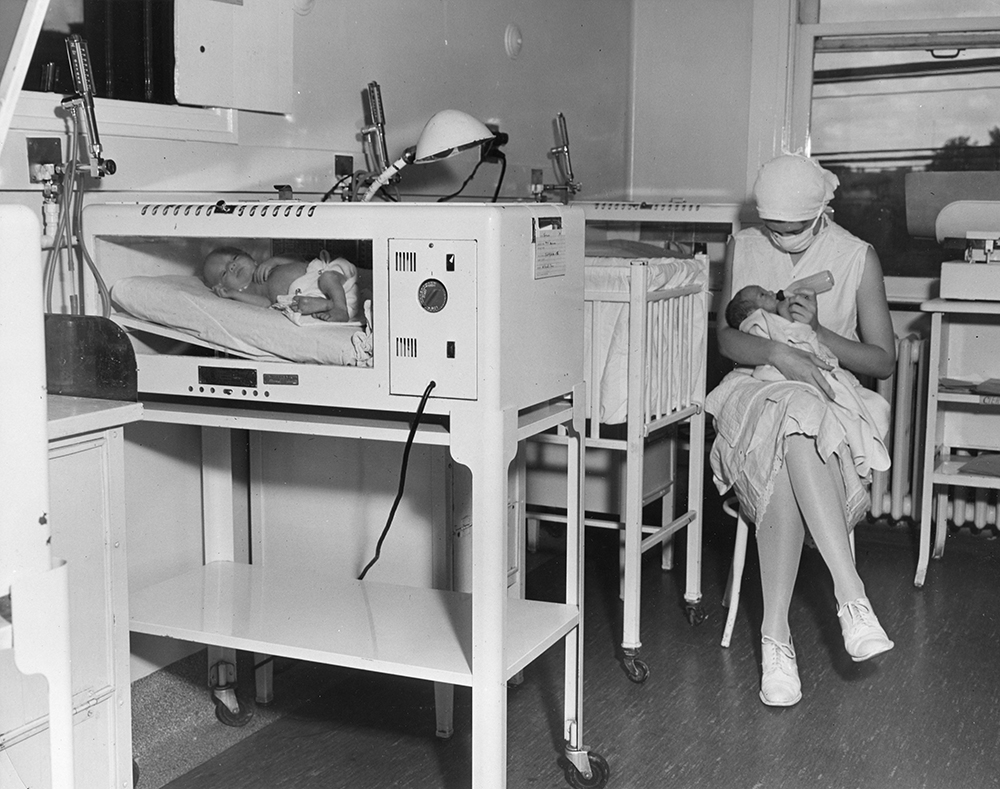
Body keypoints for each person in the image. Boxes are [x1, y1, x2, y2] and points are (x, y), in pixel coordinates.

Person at [706, 153, 897, 707]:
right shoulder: (744, 245)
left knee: (795, 433)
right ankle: (852, 598)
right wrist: (778, 353)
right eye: (772, 228)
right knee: (789, 416)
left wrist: (818, 335)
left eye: (792, 230)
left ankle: (775, 639)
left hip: (826, 396)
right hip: (755, 391)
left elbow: (882, 361)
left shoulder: (857, 257)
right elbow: (727, 341)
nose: (780, 239)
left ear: (822, 213)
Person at [202, 246, 361, 323]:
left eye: (235, 258)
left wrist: (274, 260)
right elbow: (266, 303)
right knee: (301, 305)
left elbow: (299, 259)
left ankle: (340, 308)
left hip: (326, 277)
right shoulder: (249, 291)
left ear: (252, 258)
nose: (231, 266)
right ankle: (327, 305)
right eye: (223, 273)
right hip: (309, 294)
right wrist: (233, 294)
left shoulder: (267, 265)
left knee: (328, 277)